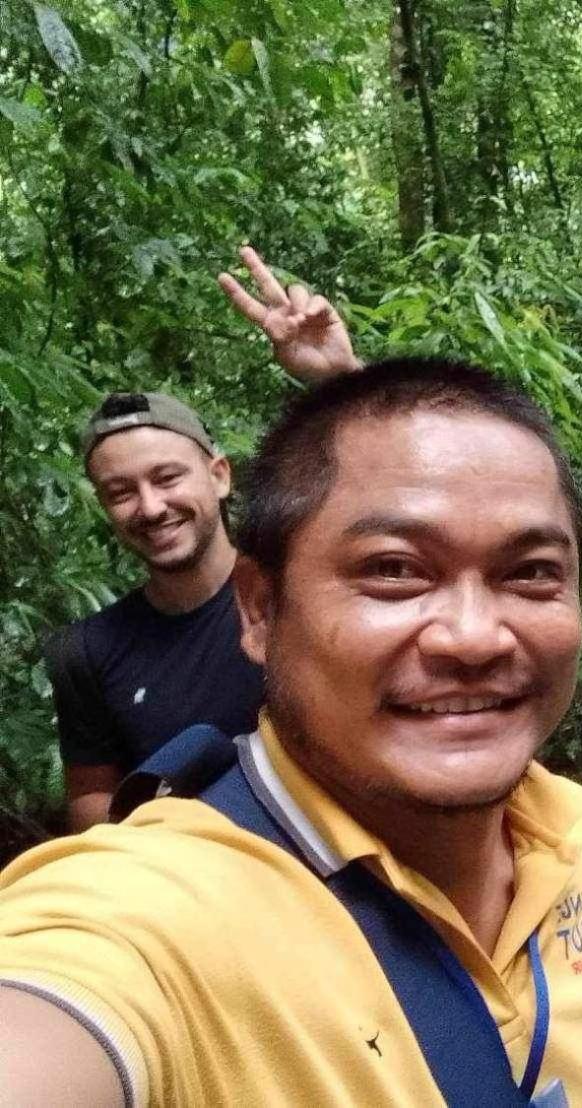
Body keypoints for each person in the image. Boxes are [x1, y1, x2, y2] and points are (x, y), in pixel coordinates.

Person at [0, 357, 582, 1104]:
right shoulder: (151, 921)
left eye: (530, 572)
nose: (475, 638)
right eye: (395, 570)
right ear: (260, 612)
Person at [47, 246, 358, 831]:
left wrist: (339, 381)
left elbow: (394, 506)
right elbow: (92, 797)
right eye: (122, 491)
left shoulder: (299, 589)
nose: (151, 506)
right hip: (194, 895)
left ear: (218, 475)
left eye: (167, 478)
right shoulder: (86, 652)